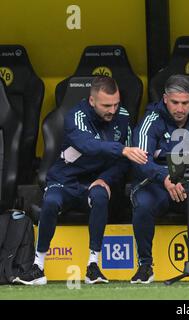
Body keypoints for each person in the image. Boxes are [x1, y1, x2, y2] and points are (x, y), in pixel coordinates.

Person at [14, 76, 148, 285]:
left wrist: (105, 179)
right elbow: (87, 145)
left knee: (101, 196)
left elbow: (124, 163)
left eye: (115, 104)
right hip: (66, 179)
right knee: (50, 202)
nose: (112, 110)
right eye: (106, 105)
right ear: (92, 101)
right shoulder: (75, 115)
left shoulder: (122, 117)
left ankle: (93, 266)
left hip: (95, 181)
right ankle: (38, 266)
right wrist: (121, 149)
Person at [129, 74, 189, 284]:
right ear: (165, 99)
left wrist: (183, 171)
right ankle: (145, 265)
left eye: (185, 103)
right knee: (142, 203)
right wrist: (165, 177)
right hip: (157, 184)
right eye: (174, 102)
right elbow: (140, 160)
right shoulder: (151, 120)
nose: (180, 108)